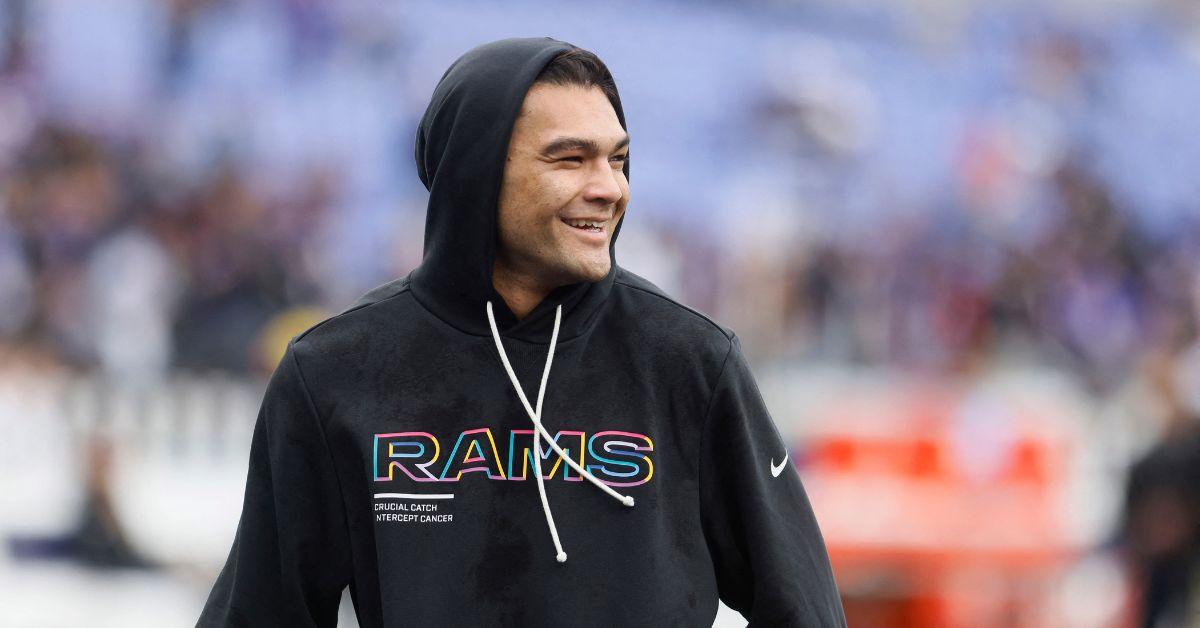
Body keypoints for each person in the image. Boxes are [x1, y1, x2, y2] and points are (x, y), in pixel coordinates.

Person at [198, 36, 846, 627]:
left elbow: (805, 611)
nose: (609, 188)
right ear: (474, 174)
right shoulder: (336, 373)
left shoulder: (690, 363)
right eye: (571, 159)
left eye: (618, 160)